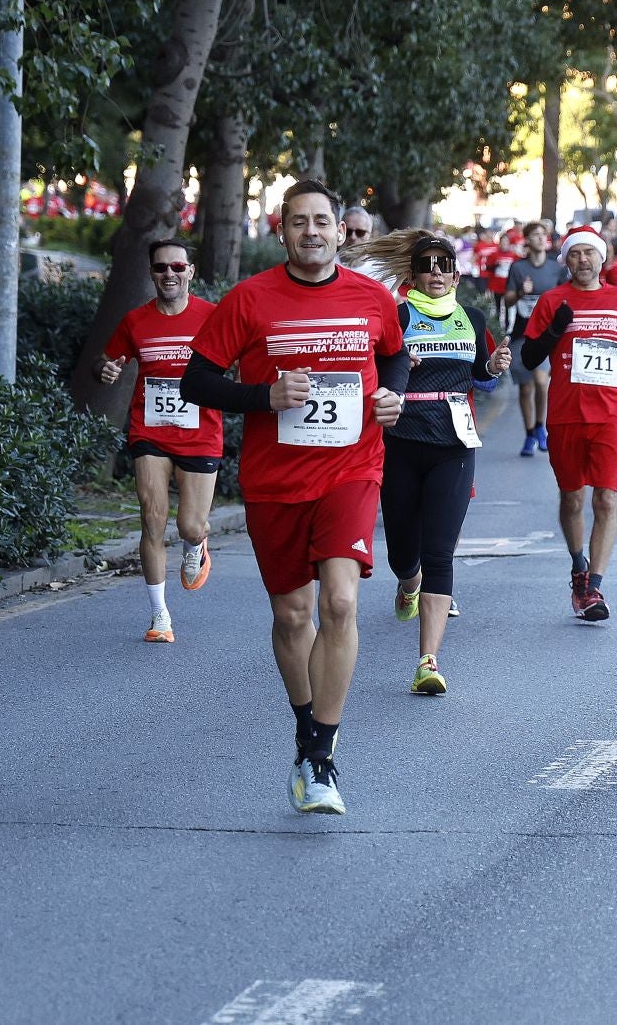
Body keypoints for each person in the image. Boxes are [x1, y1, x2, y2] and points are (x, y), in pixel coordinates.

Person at [180, 180, 408, 816]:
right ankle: (306, 728)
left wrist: (389, 397)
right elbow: (197, 379)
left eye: (322, 222)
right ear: (282, 232)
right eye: (299, 222)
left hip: (351, 469)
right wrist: (263, 397)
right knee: (292, 616)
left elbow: (394, 358)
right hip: (275, 482)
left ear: (341, 231)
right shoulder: (251, 300)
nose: (312, 232)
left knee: (339, 602)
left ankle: (320, 754)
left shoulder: (371, 298)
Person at [347, 230, 510, 694]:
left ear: (456, 275)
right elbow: (370, 372)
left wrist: (494, 367)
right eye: (427, 265)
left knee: (440, 550)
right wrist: (398, 368)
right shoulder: (397, 316)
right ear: (413, 275)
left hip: (454, 444)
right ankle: (408, 580)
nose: (436, 273)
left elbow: (482, 378)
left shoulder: (472, 318)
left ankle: (428, 661)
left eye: (444, 266)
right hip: (400, 440)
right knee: (403, 550)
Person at [98, 237, 223, 643]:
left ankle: (196, 545)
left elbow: (243, 357)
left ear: (190, 271)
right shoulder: (136, 321)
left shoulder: (213, 316)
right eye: (160, 268)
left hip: (201, 434)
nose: (168, 273)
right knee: (152, 517)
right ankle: (160, 617)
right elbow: (111, 357)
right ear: (152, 273)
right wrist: (108, 371)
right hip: (149, 431)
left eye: (176, 266)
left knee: (190, 524)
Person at [520, 225, 617, 621]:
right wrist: (557, 328)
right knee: (572, 498)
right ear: (566, 260)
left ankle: (594, 586)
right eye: (576, 254)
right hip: (567, 413)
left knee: (606, 498)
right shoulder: (553, 300)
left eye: (590, 253)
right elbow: (529, 357)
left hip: (611, 412)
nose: (583, 260)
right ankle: (578, 565)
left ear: (602, 258)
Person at [505, 221, 567, 458]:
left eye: (544, 234)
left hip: (546, 335)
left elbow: (565, 297)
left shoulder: (556, 269)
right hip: (522, 334)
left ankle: (541, 425)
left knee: (542, 381)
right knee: (525, 387)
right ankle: (530, 432)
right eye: (536, 235)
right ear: (527, 240)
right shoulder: (518, 268)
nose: (541, 238)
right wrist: (521, 292)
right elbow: (508, 300)